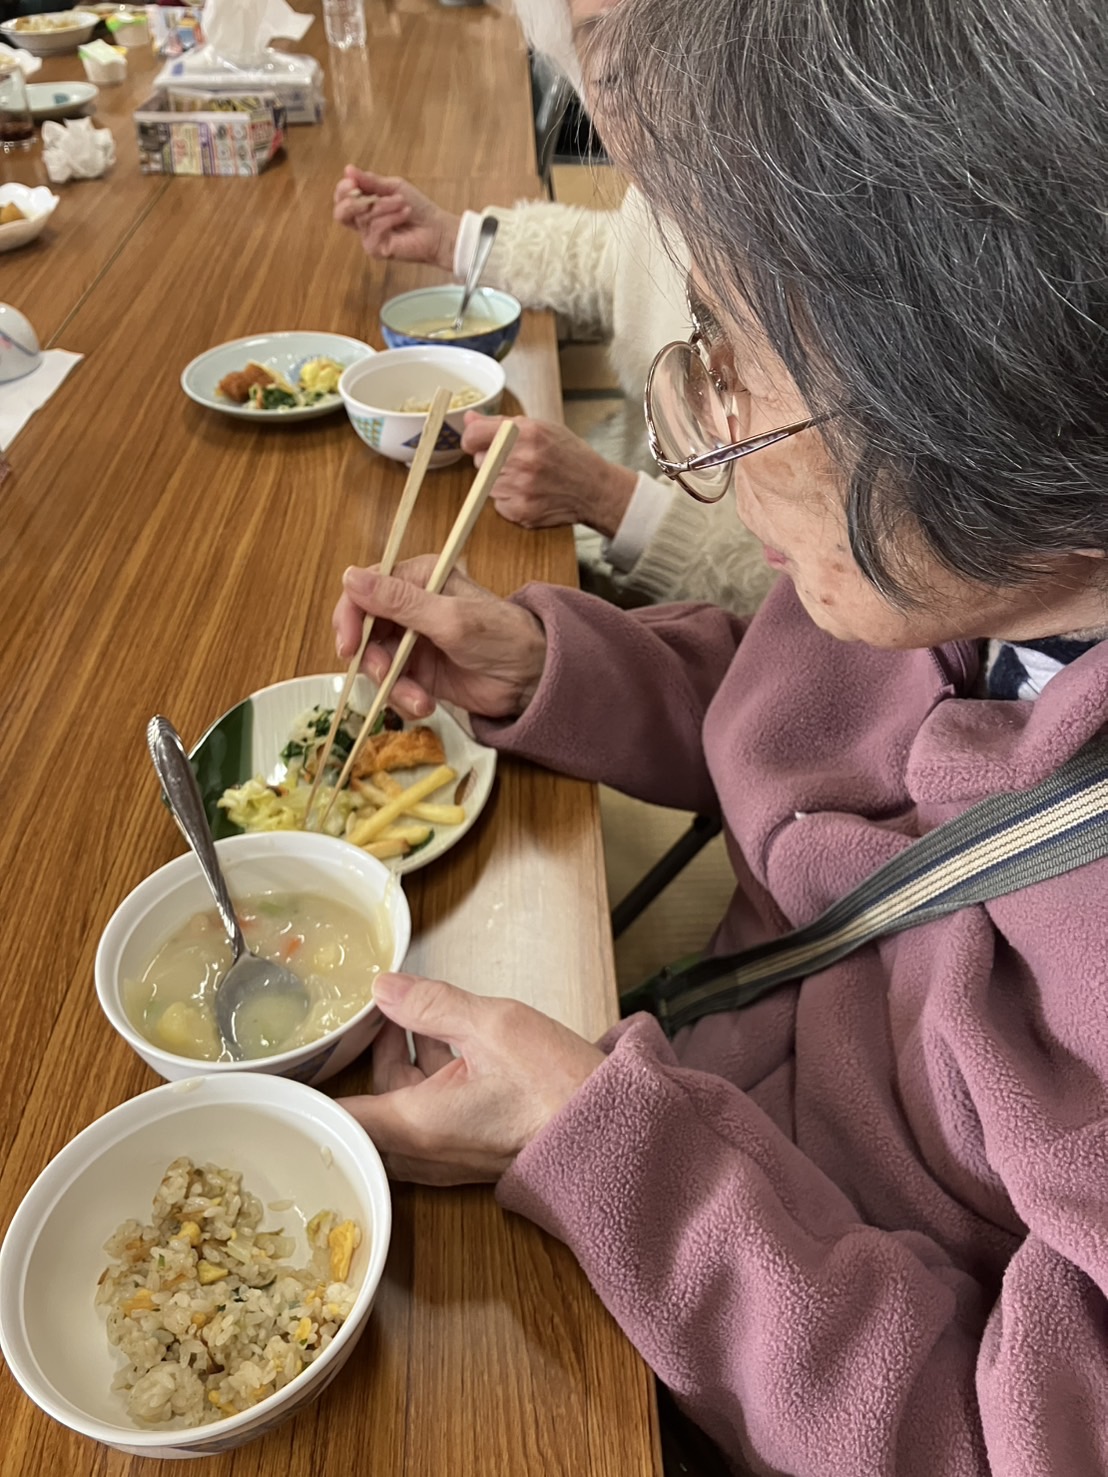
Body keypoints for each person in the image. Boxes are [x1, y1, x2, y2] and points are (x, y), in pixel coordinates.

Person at [329, 0, 1108, 1471]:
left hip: (744, 1322)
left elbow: (984, 1441)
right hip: (700, 1067)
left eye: (728, 364)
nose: (694, 431)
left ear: (992, 396)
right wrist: (552, 667)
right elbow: (819, 751)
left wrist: (615, 1153)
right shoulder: (959, 571)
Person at [331, 2, 776, 616]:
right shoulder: (678, 195)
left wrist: (613, 502)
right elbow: (619, 261)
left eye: (684, 49)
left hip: (712, 627)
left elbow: (811, 608)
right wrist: (456, 240)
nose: (655, 100)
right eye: (611, 73)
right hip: (638, 483)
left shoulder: (830, 257)